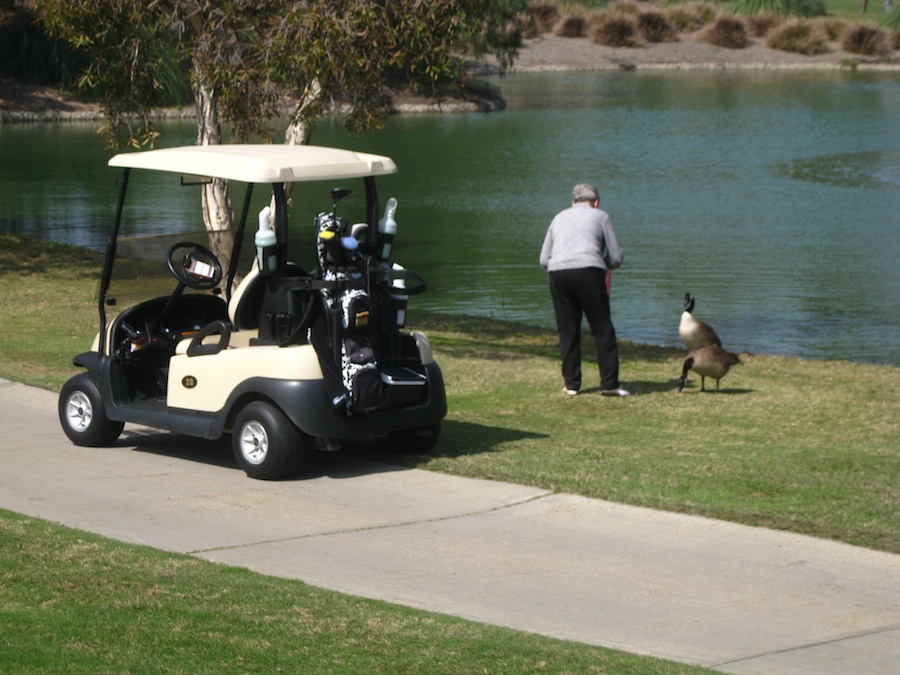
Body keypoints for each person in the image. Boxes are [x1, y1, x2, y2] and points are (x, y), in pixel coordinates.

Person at [539, 183, 629, 397]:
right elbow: (615, 258)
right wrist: (606, 261)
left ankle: (571, 384)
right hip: (589, 271)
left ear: (572, 202)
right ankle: (609, 384)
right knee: (601, 328)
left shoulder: (558, 217)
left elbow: (544, 259)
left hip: (558, 273)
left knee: (568, 329)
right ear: (596, 203)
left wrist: (560, 268)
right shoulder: (601, 217)